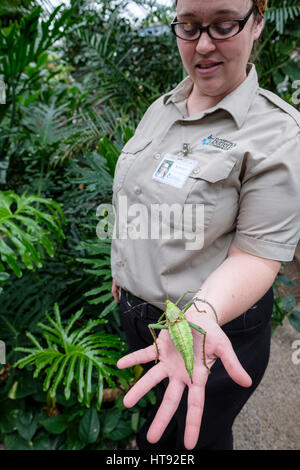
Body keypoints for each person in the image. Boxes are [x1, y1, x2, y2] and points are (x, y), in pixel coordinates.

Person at [110, 0, 300, 450]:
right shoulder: (163, 105)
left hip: (211, 331)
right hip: (140, 316)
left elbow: (256, 255)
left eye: (223, 24)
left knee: (199, 437)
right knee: (160, 418)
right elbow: (136, 196)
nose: (204, 44)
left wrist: (200, 317)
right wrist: (123, 268)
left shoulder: (279, 132)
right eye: (189, 27)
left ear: (257, 23)